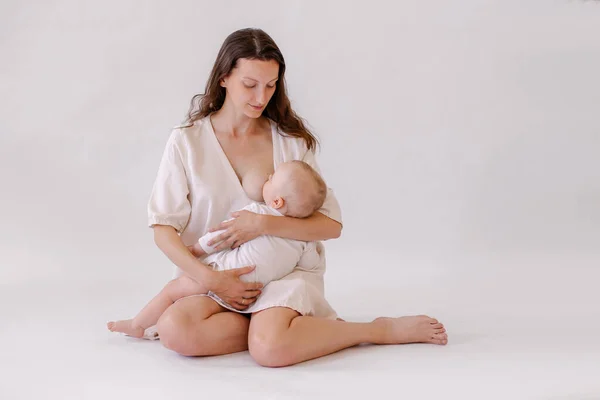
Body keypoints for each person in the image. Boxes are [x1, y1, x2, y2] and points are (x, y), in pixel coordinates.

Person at [141, 28, 448, 367]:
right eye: (250, 84)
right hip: (218, 275)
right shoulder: (187, 141)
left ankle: (375, 330)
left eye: (271, 85)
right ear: (224, 77)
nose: (261, 97)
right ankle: (278, 328)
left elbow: (330, 226)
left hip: (285, 270)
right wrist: (213, 280)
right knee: (174, 330)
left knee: (269, 352)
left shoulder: (288, 140)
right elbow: (163, 229)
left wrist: (260, 224)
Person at [107, 160, 328, 338]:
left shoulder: (256, 212)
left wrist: (196, 249)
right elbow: (310, 265)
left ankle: (138, 324)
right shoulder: (302, 239)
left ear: (277, 202)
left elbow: (220, 235)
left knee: (172, 290)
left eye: (272, 179)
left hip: (221, 273)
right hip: (255, 294)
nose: (267, 178)